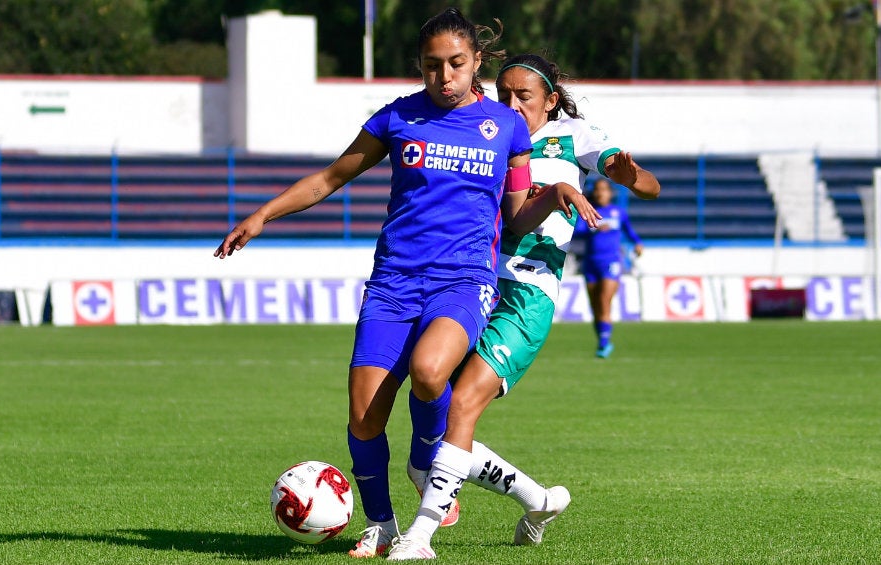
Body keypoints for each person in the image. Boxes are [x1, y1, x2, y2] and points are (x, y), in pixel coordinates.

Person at [214, 11, 597, 559]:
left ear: (476, 63)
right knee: (364, 415)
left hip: (463, 280)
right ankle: (382, 524)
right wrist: (262, 216)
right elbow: (331, 177)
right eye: (432, 65)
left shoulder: (506, 127)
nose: (444, 76)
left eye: (456, 64)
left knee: (429, 371)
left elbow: (514, 215)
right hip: (393, 282)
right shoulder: (397, 118)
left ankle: (426, 471)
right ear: (420, 66)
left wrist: (554, 191)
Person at [387, 54, 659, 560]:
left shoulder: (573, 137)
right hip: (472, 282)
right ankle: (541, 500)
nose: (511, 105)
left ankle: (419, 538)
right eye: (503, 94)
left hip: (528, 292)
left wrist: (628, 173)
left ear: (551, 101)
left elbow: (650, 186)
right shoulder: (485, 132)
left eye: (524, 97)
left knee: (463, 404)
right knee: (432, 418)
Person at [576, 177, 645, 358]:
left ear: (610, 192)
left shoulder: (618, 212)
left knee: (604, 300)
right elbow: (577, 230)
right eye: (597, 190)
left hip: (611, 262)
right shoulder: (589, 211)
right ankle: (602, 340)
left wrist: (637, 243)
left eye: (604, 189)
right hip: (591, 262)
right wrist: (595, 228)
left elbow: (630, 231)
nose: (600, 193)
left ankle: (604, 344)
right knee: (596, 306)